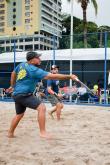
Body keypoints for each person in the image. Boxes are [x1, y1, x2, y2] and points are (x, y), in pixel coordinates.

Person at [7, 51, 78, 139]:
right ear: (32, 60)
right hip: (24, 95)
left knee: (19, 114)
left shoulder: (22, 65)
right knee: (42, 107)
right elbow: (52, 76)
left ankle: (10, 133)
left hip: (16, 94)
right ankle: (42, 132)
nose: (40, 59)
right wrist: (69, 76)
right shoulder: (34, 70)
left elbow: (13, 73)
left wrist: (12, 85)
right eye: (38, 58)